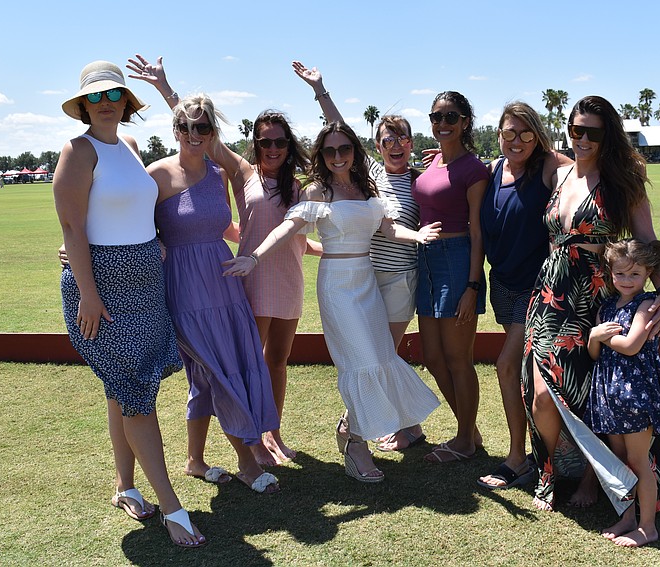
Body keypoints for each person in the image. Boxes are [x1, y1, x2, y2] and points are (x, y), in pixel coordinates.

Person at [128, 54, 320, 467]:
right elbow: (200, 134)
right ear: (254, 145)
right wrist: (166, 89)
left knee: (273, 361)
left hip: (275, 274)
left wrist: (321, 91)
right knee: (232, 363)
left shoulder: (296, 184)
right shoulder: (239, 172)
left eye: (279, 142)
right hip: (240, 275)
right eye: (265, 141)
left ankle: (272, 434)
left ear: (289, 146)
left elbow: (288, 229)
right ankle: (250, 446)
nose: (272, 148)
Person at [223, 122, 441, 483]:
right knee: (362, 362)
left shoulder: (368, 187)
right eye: (329, 151)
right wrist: (255, 257)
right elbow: (286, 228)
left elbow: (389, 229)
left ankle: (350, 431)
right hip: (337, 286)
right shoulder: (318, 192)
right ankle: (357, 445)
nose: (338, 156)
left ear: (355, 151)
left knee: (381, 356)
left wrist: (416, 235)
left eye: (344, 149)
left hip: (366, 281)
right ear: (322, 156)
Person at [53, 60, 203, 548]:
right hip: (102, 289)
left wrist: (155, 238)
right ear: (82, 106)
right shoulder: (78, 151)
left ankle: (125, 486)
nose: (106, 104)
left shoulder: (132, 147)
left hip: (145, 283)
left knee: (125, 388)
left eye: (113, 94)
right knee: (135, 390)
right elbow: (73, 228)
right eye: (95, 97)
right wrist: (89, 294)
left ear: (125, 101)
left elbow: (139, 206)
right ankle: (172, 507)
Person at [522, 95, 660, 512]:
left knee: (591, 393)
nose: (582, 138)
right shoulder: (560, 173)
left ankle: (594, 479)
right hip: (551, 295)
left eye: (592, 131)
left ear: (608, 135)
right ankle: (548, 473)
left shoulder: (622, 181)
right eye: (575, 129)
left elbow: (648, 243)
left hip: (595, 296)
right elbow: (516, 143)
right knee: (542, 394)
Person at [147, 93, 281, 494]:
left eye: (202, 127)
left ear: (212, 133)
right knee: (216, 369)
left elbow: (223, 225)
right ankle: (246, 462)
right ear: (174, 131)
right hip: (185, 288)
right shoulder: (156, 175)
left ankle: (194, 460)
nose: (193, 134)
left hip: (224, 283)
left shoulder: (216, 174)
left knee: (208, 377)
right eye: (185, 127)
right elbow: (133, 228)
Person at [292, 61, 426, 452]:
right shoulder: (369, 175)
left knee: (384, 358)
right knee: (368, 356)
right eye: (387, 140)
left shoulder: (421, 181)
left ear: (411, 143)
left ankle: (385, 425)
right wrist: (320, 89)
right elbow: (340, 131)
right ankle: (374, 426)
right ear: (378, 145)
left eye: (402, 138)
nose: (395, 145)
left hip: (399, 280)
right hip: (362, 279)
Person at [476, 103, 572, 489]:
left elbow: (587, 169)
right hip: (502, 281)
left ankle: (519, 459)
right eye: (509, 132)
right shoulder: (494, 169)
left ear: (538, 136)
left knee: (504, 365)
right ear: (498, 134)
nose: (517, 141)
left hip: (536, 285)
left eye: (526, 133)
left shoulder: (547, 165)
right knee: (523, 375)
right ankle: (544, 452)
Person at [413, 91, 490, 463]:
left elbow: (478, 232)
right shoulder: (433, 164)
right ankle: (468, 427)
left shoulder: (474, 169)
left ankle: (464, 441)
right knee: (432, 356)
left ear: (464, 123)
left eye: (450, 117)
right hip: (424, 260)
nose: (442, 124)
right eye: (436, 117)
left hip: (457, 259)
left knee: (459, 358)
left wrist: (472, 287)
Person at [586, 238, 660, 548]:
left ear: (648, 274)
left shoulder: (647, 304)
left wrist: (599, 335)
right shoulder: (607, 306)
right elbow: (594, 353)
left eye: (634, 274)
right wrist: (594, 337)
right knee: (620, 460)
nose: (626, 280)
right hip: (609, 393)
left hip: (635, 394)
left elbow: (632, 345)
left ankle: (648, 526)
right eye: (619, 274)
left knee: (638, 460)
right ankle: (628, 517)